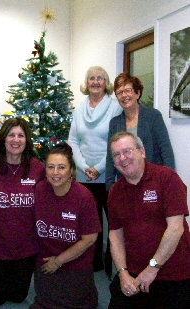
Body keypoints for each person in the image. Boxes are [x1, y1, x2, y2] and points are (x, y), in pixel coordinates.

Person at [108, 131, 190, 309]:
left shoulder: (167, 178)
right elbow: (115, 235)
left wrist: (152, 269)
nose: (123, 158)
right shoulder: (115, 192)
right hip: (134, 275)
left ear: (142, 151)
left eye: (127, 151)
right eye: (116, 154)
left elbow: (176, 229)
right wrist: (123, 274)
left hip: (173, 275)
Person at [0, 117, 46, 306]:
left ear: (27, 140)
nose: (16, 140)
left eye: (21, 136)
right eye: (11, 135)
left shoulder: (37, 168)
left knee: (18, 297)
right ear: (3, 139)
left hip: (26, 246)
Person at [30, 143, 101, 309]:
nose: (55, 173)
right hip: (46, 262)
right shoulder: (39, 190)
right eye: (51, 167)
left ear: (71, 171)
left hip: (75, 263)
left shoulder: (84, 197)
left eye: (61, 167)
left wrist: (59, 261)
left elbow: (90, 239)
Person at [68, 65, 122, 276]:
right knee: (91, 224)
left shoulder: (115, 107)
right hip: (84, 177)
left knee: (114, 225)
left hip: (109, 175)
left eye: (100, 78)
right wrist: (83, 167)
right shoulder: (79, 109)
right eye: (92, 78)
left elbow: (116, 140)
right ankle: (92, 263)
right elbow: (73, 140)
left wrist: (100, 168)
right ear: (86, 82)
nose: (96, 82)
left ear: (106, 82)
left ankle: (112, 265)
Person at [106, 72, 175, 191]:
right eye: (119, 92)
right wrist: (110, 186)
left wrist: (170, 181)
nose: (124, 95)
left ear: (137, 93)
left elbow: (166, 150)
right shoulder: (114, 123)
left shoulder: (153, 116)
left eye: (128, 90)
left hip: (153, 182)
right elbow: (110, 157)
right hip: (126, 184)